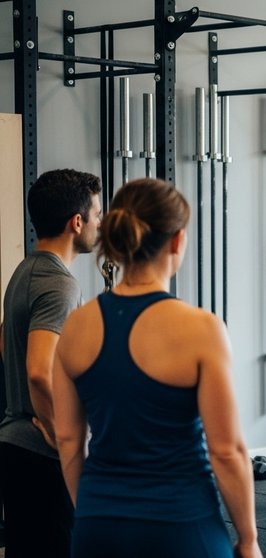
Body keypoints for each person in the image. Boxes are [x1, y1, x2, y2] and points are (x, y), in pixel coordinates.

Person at [50, 178, 261, 558]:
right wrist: (248, 540)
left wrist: (95, 512)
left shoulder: (75, 326)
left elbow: (68, 441)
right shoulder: (201, 328)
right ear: (177, 241)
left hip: (97, 527)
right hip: (181, 525)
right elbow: (227, 451)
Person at [0, 169, 101, 558]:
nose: (100, 223)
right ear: (77, 223)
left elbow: (5, 338)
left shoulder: (25, 270)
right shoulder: (60, 284)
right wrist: (64, 440)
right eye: (97, 214)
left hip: (16, 446)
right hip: (41, 455)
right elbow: (39, 370)